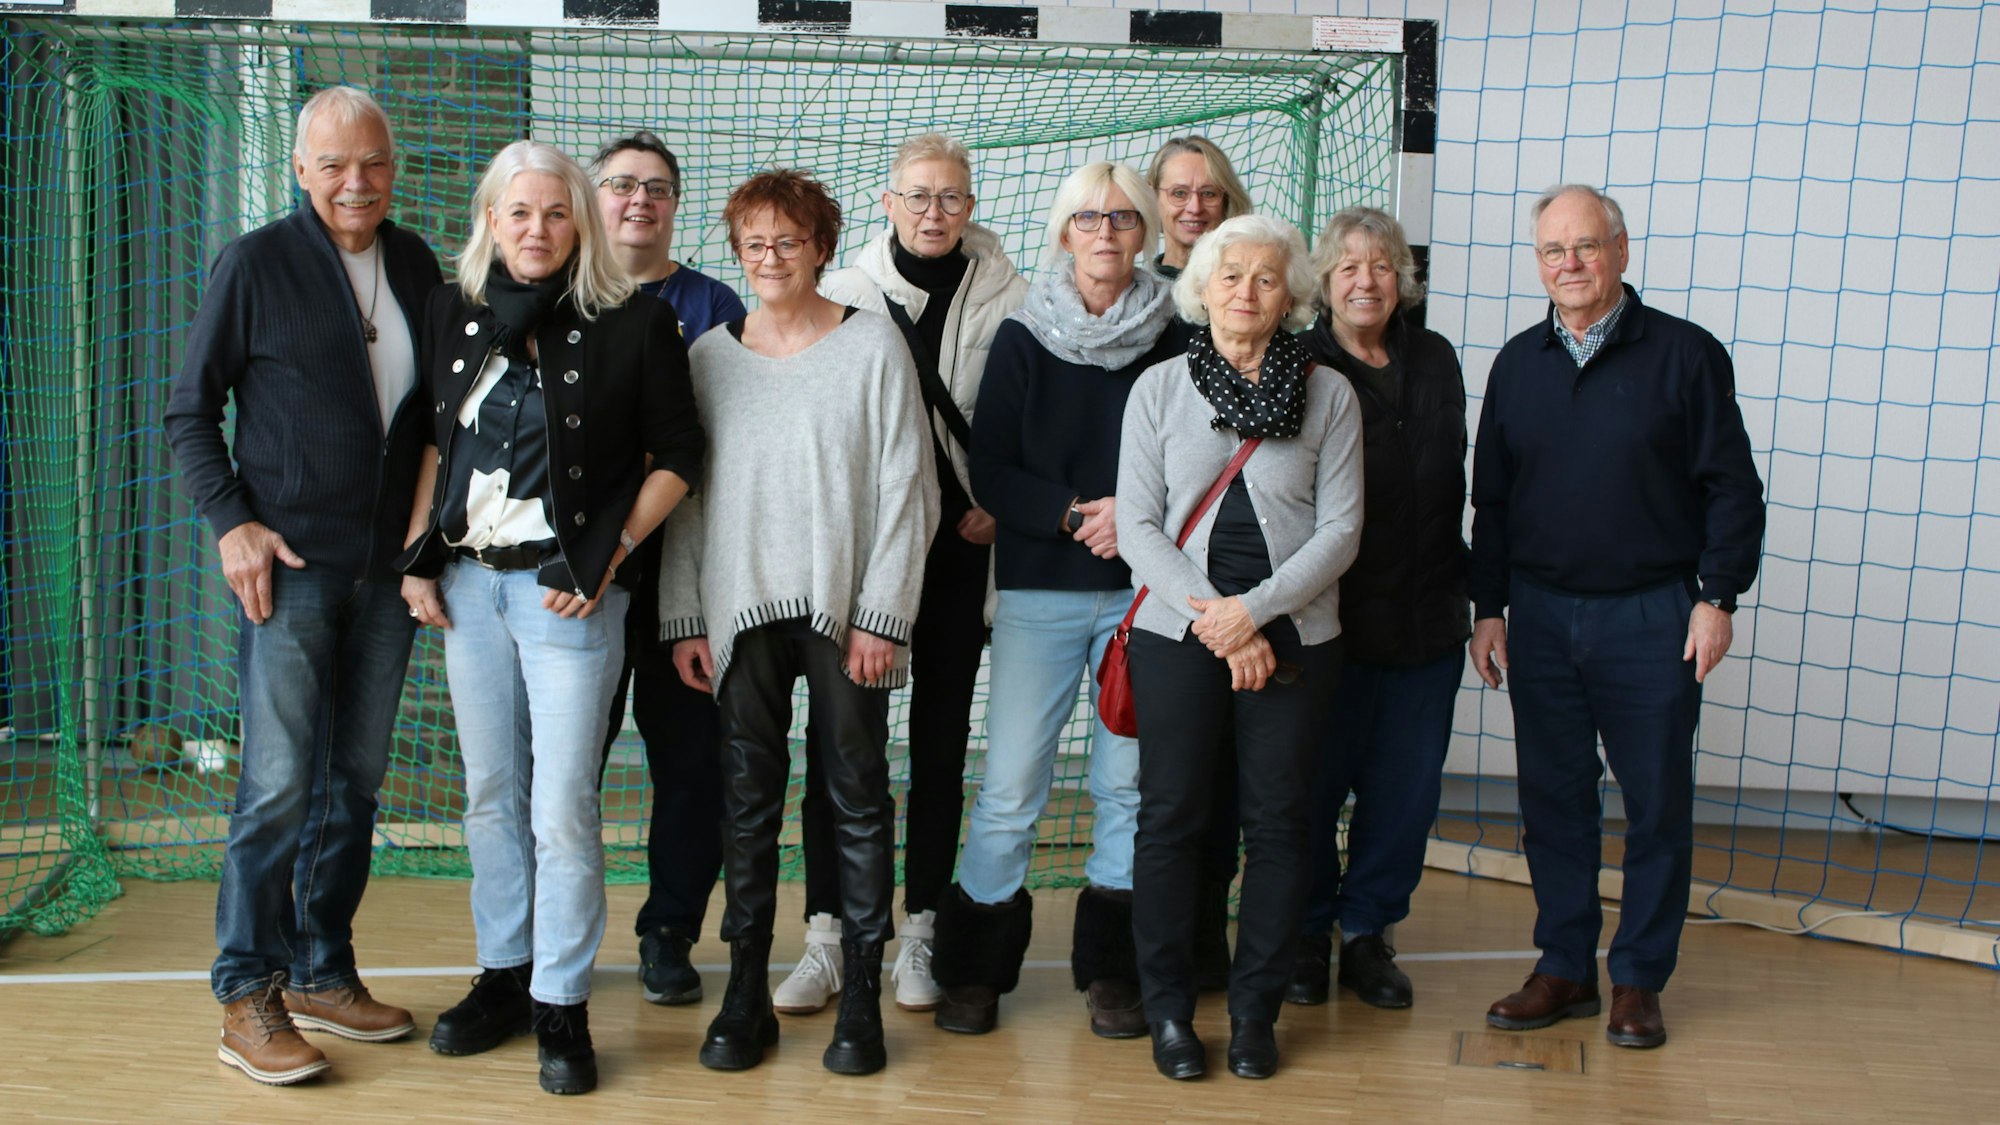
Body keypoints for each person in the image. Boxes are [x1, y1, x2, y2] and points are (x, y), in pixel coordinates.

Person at [396, 140, 704, 1095]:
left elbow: (679, 455)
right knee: (490, 793)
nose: (537, 229)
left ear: (582, 225)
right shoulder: (454, 311)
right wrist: (416, 558)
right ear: (491, 218)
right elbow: (435, 443)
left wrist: (606, 555)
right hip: (471, 591)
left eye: (556, 213)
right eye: (519, 212)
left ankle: (562, 1004)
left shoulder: (636, 322)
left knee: (561, 805)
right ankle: (504, 974)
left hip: (567, 594)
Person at [165, 85, 441, 1087]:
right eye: (333, 164)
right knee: (278, 785)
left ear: (393, 166)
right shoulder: (255, 263)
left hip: (387, 572)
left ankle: (323, 969)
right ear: (299, 169)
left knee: (353, 783)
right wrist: (233, 522)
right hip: (289, 570)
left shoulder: (413, 264)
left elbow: (433, 417)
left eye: (372, 162)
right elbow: (188, 414)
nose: (356, 181)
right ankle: (247, 993)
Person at [1470, 184, 1765, 1050]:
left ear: (1622, 251)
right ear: (1538, 263)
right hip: (1544, 618)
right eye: (1553, 251)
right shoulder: (1516, 364)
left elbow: (1731, 488)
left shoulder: (1687, 355)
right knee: (1553, 803)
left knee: (1657, 805)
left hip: (1655, 617)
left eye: (1586, 246)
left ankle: (1637, 978)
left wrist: (1717, 596)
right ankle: (1563, 966)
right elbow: (1491, 503)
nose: (1570, 264)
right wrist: (1489, 609)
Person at [659, 169, 939, 1078]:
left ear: (822, 246)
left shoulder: (873, 347)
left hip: (848, 610)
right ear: (736, 252)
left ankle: (861, 990)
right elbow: (688, 503)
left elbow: (909, 489)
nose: (770, 257)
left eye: (788, 240)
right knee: (746, 804)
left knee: (857, 795)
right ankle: (746, 989)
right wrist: (685, 614)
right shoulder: (708, 357)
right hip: (739, 614)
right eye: (753, 243)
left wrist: (884, 613)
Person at [759, 133, 1029, 1017]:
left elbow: (1025, 418)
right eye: (917, 196)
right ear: (888, 202)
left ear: (973, 203)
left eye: (951, 197)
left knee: (944, 745)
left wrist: (1000, 500)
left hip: (959, 548)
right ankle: (831, 934)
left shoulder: (1015, 297)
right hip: (863, 550)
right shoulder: (842, 291)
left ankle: (920, 928)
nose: (934, 212)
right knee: (846, 748)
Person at [931, 162, 1184, 1039]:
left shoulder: (1178, 337)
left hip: (1144, 597)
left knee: (1128, 787)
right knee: (1009, 789)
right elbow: (992, 467)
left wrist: (1135, 519)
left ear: (1145, 231)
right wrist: (1078, 513)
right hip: (1042, 590)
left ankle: (1115, 971)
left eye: (1122, 216)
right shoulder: (1021, 336)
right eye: (1088, 216)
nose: (1105, 230)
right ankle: (973, 970)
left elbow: (1195, 458)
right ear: (1063, 230)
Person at [1118, 214, 1362, 1080]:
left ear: (1290, 295)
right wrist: (1215, 615)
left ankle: (1256, 1014)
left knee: (1281, 823)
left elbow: (1340, 532)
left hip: (1295, 632)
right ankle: (1170, 1015)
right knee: (1171, 819)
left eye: (1265, 279)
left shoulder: (1330, 393)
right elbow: (1139, 525)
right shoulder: (1158, 389)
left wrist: (1252, 614)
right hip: (1179, 630)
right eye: (1230, 277)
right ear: (1202, 288)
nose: (1246, 293)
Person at [1286, 207, 1470, 1011]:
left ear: (1403, 280)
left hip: (1428, 624)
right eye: (1350, 267)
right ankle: (1305, 931)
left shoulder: (1436, 360)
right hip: (1328, 631)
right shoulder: (1298, 364)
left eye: (1383, 266)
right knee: (1310, 789)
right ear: (1324, 281)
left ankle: (1367, 933)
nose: (1367, 281)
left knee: (1404, 796)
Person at [588, 130, 747, 1007]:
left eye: (655, 187)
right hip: (588, 580)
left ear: (675, 205)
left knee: (692, 765)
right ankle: (552, 932)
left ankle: (669, 931)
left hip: (691, 578)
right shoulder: (566, 297)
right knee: (572, 759)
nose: (637, 200)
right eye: (621, 185)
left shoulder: (715, 303)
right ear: (596, 197)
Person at [1145, 134, 1255, 987]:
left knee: (1227, 786)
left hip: (1242, 592)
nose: (1193, 205)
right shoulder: (1142, 307)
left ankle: (1216, 945)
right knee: (1160, 791)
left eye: (1209, 191)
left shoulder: (1266, 318)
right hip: (1150, 573)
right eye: (1177, 191)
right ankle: (1140, 964)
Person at [1146, 136, 1253, 278]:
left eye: (1208, 194)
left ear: (1226, 202)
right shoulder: (1135, 291)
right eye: (1179, 193)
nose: (1195, 208)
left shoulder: (1245, 289)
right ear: (1153, 198)